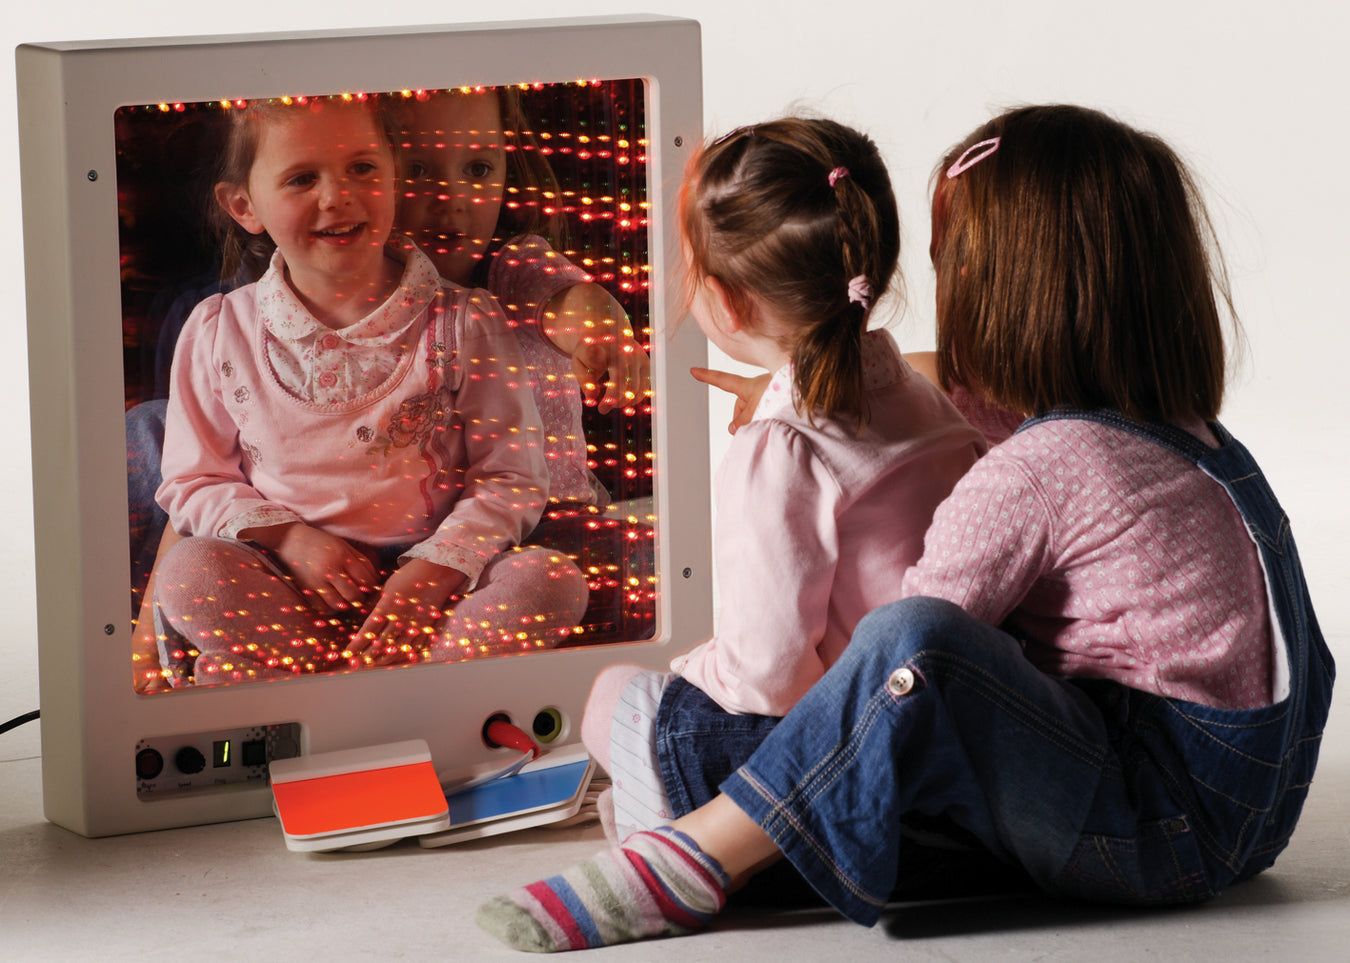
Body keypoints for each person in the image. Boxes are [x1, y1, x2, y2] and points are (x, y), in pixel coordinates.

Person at [475, 104, 1335, 952]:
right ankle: (799, 841)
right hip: (1250, 812)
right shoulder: (1179, 437)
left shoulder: (1039, 470)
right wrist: (801, 383)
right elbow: (947, 388)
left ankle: (696, 855)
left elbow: (897, 685)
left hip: (1154, 829)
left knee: (904, 641)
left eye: (949, 265)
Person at [572, 117, 983, 840]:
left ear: (727, 302)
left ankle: (681, 841)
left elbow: (769, 679)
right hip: (944, 731)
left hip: (847, 740)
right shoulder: (931, 402)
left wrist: (694, 666)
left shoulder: (781, 448)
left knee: (616, 696)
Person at [143, 95, 587, 688]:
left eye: (362, 168)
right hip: (286, 583)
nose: (337, 195)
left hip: (438, 591)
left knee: (550, 583)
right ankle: (329, 675)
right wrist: (289, 540)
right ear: (244, 206)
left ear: (393, 176)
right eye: (303, 178)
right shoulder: (219, 329)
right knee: (189, 573)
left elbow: (511, 476)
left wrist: (432, 574)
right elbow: (193, 481)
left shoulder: (465, 321)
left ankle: (387, 683)